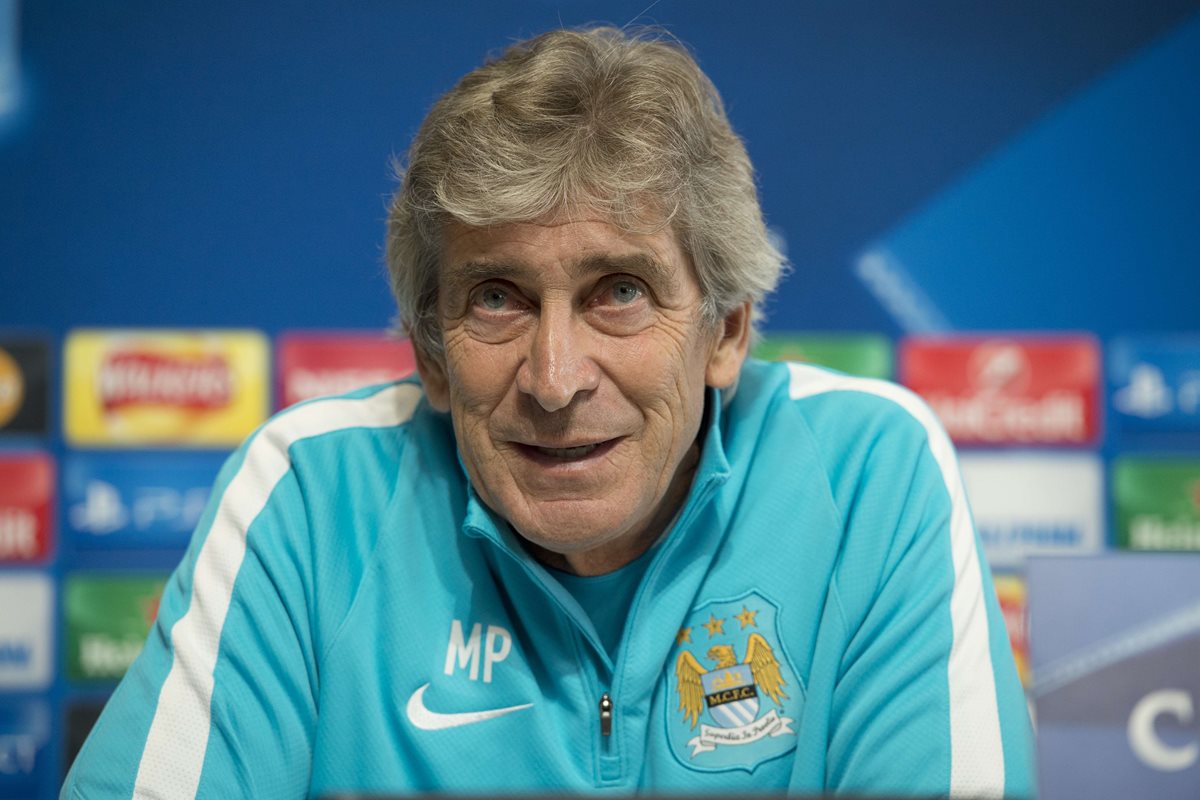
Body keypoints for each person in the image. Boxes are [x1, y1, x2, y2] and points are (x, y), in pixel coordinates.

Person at [63, 26, 1033, 799]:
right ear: (430, 351)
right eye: (496, 296)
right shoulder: (310, 495)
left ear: (727, 332)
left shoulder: (869, 475)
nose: (555, 377)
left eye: (618, 290)